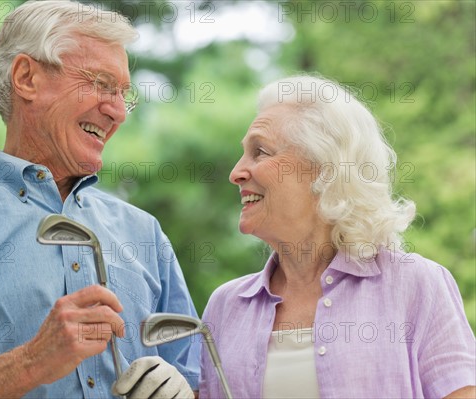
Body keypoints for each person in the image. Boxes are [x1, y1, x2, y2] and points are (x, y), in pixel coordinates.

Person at [0, 1, 199, 397]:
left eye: (123, 93)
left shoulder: (145, 233)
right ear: (27, 78)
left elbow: (201, 379)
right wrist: (30, 363)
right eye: (100, 83)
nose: (118, 112)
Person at [199, 75, 476, 398]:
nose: (236, 172)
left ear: (324, 168)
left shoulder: (416, 284)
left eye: (260, 152)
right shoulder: (225, 306)